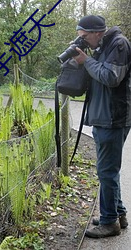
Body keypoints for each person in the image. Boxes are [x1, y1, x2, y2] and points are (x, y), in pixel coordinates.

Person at [73, 15, 131, 238]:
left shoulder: (119, 44)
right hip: (103, 117)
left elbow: (110, 77)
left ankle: (109, 223)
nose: (84, 41)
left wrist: (86, 61)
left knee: (106, 171)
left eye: (85, 37)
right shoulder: (102, 46)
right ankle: (118, 214)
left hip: (113, 118)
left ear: (97, 32)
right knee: (108, 171)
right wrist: (83, 60)